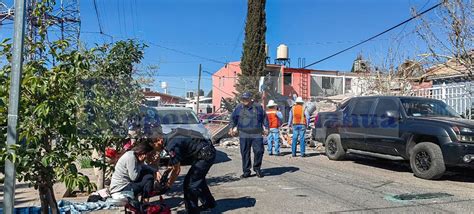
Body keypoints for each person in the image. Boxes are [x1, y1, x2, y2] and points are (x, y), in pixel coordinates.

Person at [151, 126, 217, 214]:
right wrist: (166, 173)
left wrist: (168, 185)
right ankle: (209, 203)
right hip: (205, 151)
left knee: (190, 184)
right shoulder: (170, 138)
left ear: (159, 140)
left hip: (205, 155)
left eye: (153, 146)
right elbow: (173, 163)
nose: (154, 148)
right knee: (197, 180)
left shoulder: (171, 145)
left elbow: (177, 170)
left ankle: (192, 211)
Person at [229, 92, 269, 178]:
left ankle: (257, 168)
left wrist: (266, 128)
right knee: (245, 153)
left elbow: (264, 117)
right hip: (244, 133)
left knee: (259, 151)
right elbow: (233, 118)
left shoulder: (258, 107)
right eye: (243, 99)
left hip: (257, 133)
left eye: (246, 99)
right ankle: (246, 171)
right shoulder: (238, 108)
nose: (244, 101)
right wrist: (231, 127)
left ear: (251, 99)